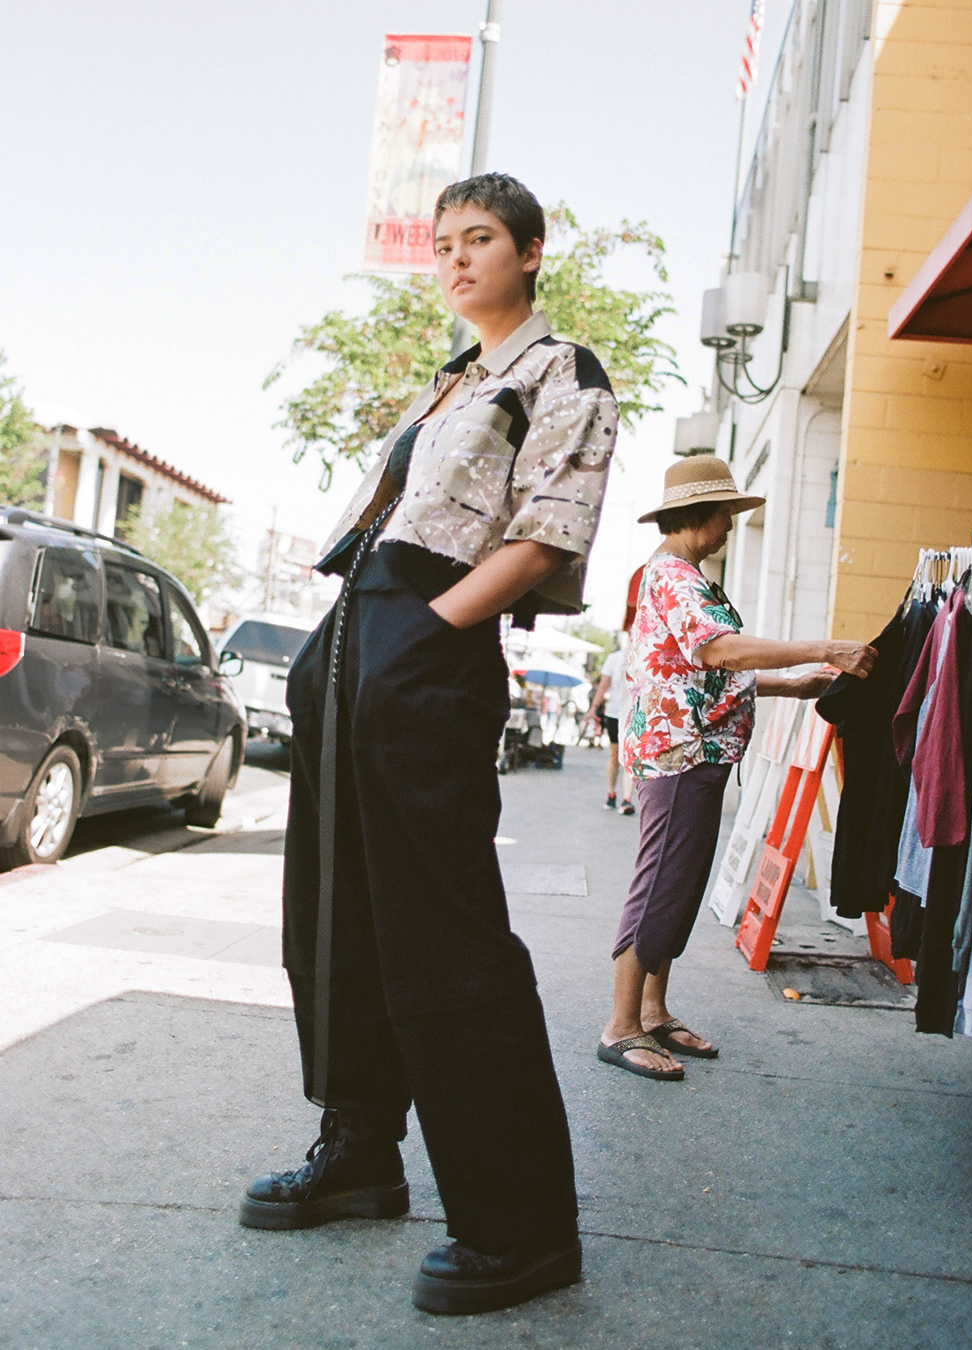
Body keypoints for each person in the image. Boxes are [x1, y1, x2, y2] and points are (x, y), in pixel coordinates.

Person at [240, 173, 619, 1315]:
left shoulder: (563, 372)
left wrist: (426, 635)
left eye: (480, 239)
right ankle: (360, 1149)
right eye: (443, 242)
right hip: (355, 643)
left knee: (444, 938)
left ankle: (521, 1226)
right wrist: (346, 650)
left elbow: (547, 536)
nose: (454, 258)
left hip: (425, 649)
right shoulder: (449, 380)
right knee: (336, 918)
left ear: (532, 251)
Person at [598, 456, 877, 1080]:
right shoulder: (673, 576)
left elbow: (700, 672)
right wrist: (823, 648)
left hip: (693, 750)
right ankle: (620, 1025)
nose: (729, 525)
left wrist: (791, 684)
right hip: (681, 753)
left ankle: (651, 1011)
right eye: (726, 513)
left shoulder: (679, 575)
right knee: (661, 883)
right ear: (699, 514)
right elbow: (718, 650)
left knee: (678, 885)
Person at [585, 635, 635, 814]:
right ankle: (611, 793)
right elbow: (603, 685)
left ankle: (627, 800)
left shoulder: (643, 656)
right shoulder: (614, 659)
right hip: (614, 713)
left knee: (630, 757)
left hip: (634, 714)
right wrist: (593, 708)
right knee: (615, 755)